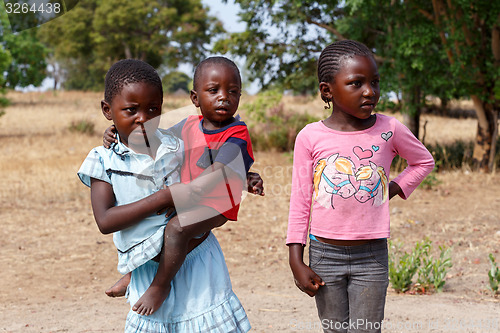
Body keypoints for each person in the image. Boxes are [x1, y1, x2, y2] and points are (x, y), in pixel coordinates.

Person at [78, 59, 258, 332]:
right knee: (173, 229)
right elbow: (105, 220)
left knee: (175, 228)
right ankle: (134, 275)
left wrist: (238, 177)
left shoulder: (235, 132)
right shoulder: (184, 130)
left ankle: (158, 286)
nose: (144, 118)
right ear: (195, 99)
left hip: (213, 208)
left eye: (153, 109)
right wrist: (115, 131)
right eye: (131, 110)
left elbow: (223, 168)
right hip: (180, 214)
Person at [286, 40, 435, 333]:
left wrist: (391, 187)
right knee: (335, 330)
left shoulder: (390, 129)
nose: (370, 91)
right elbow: (301, 200)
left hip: (372, 256)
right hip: (325, 254)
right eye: (356, 83)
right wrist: (295, 259)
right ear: (327, 91)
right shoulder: (310, 137)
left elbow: (423, 161)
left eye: (375, 82)